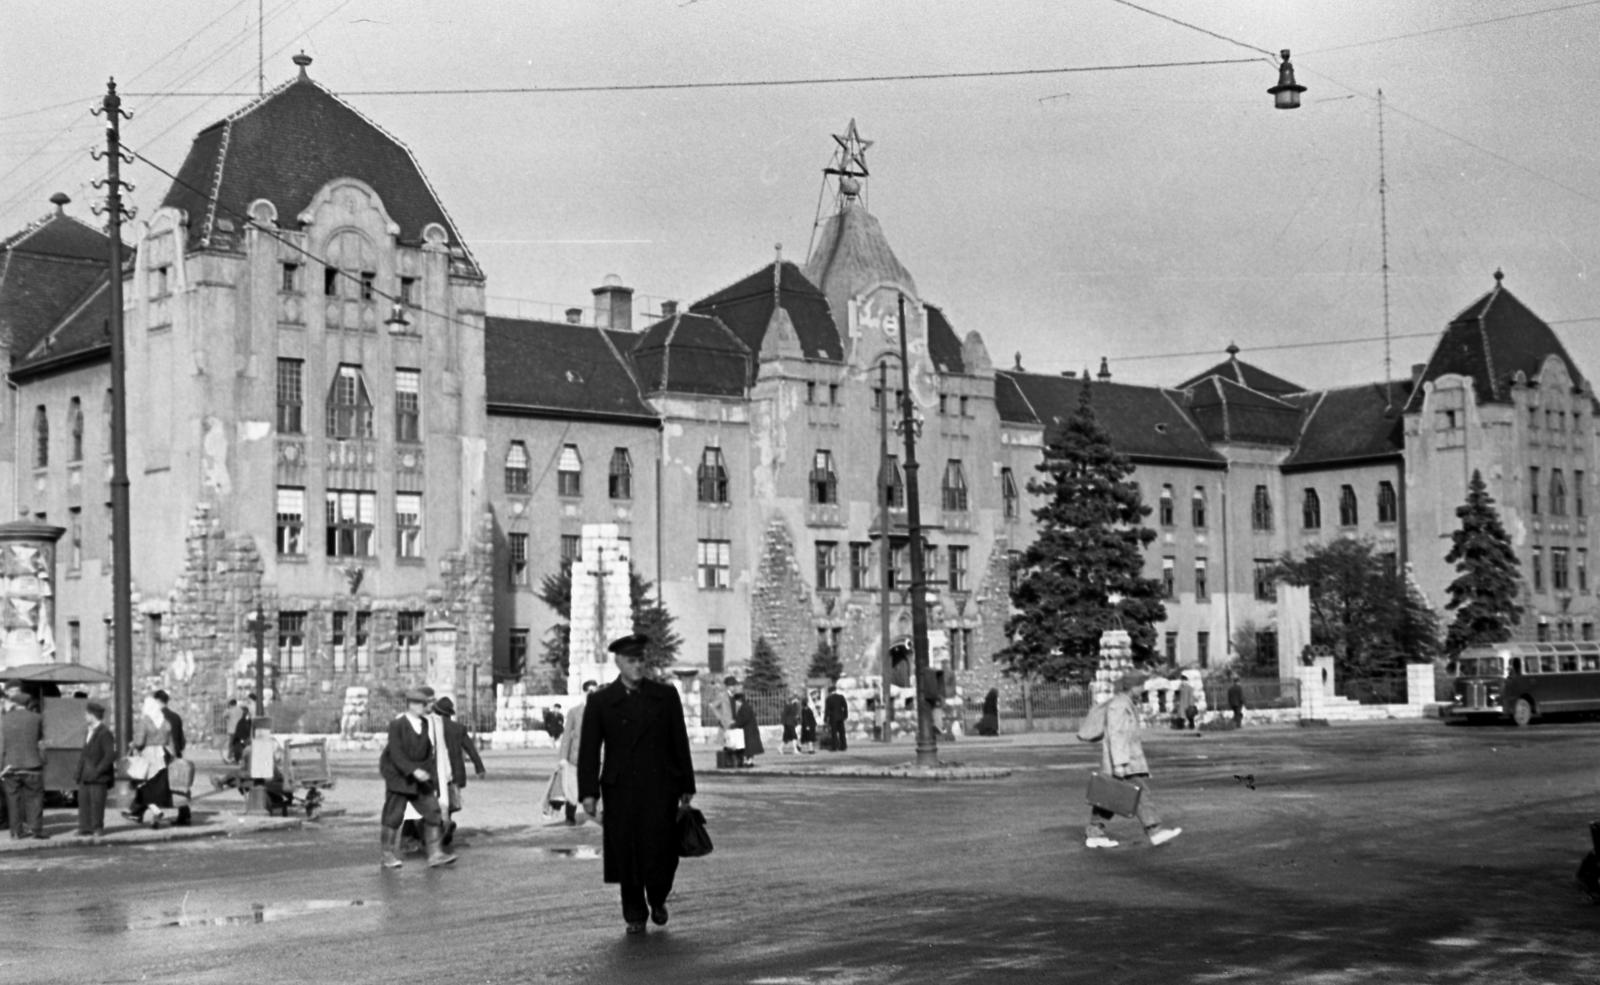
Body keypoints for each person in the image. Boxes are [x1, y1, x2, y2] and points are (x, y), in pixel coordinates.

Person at [578, 633, 696, 935]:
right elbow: (589, 749)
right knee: (626, 853)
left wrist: (686, 784)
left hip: (661, 786)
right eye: (632, 660)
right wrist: (588, 793)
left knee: (664, 852)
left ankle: (657, 898)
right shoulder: (601, 701)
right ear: (618, 663)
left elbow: (679, 741)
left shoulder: (665, 695)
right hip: (621, 789)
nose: (638, 666)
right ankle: (634, 912)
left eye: (641, 659)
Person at [1080, 672, 1182, 849]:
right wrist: (1120, 764)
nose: (1143, 690)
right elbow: (1116, 734)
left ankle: (1095, 832)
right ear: (1133, 687)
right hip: (1122, 761)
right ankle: (1154, 831)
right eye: (1141, 686)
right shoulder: (1119, 705)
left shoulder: (1124, 703)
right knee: (1140, 793)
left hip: (1123, 760)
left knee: (1108, 796)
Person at [378, 687, 455, 869]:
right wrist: (413, 771)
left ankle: (435, 853)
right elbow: (396, 754)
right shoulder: (398, 725)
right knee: (393, 816)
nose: (426, 707)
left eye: (426, 704)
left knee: (433, 811)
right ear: (412, 705)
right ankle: (387, 854)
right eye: (422, 704)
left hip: (420, 780)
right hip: (399, 779)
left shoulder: (425, 724)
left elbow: (428, 751)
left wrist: (429, 773)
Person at [433, 696, 485, 846]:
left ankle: (442, 826)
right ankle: (446, 821)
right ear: (450, 713)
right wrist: (479, 767)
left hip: (436, 770)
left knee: (436, 800)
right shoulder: (458, 728)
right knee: (449, 801)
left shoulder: (432, 727)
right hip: (454, 772)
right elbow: (470, 749)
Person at [1, 685, 47, 839]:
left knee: (13, 800)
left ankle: (15, 831)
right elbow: (40, 739)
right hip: (32, 765)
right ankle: (36, 830)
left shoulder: (4, 720)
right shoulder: (37, 718)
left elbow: (1, 745)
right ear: (28, 703)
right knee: (35, 798)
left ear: (15, 703)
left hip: (10, 766)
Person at [551, 681, 598, 824]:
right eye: (589, 691)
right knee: (572, 788)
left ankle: (595, 816)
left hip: (596, 757)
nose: (592, 694)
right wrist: (563, 758)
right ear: (584, 692)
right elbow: (566, 736)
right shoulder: (574, 712)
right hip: (575, 757)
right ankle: (570, 817)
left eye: (595, 691)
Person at [126, 695, 174, 828]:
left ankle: (155, 811)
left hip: (148, 756)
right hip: (162, 756)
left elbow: (140, 742)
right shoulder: (164, 722)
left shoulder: (145, 722)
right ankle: (149, 813)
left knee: (143, 786)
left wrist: (132, 745)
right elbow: (170, 740)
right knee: (155, 788)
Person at [75, 701, 116, 836]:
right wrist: (78, 772)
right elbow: (84, 752)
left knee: (97, 802)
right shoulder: (88, 731)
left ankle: (97, 827)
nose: (85, 717)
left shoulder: (104, 733)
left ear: (92, 715)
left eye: (87, 714)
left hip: (98, 776)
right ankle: (85, 827)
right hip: (85, 774)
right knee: (84, 801)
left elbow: (109, 755)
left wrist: (98, 770)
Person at [733, 692, 764, 767]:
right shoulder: (745, 706)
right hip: (749, 730)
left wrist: (735, 724)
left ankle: (749, 761)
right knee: (748, 747)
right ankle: (748, 761)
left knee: (749, 747)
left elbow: (744, 719)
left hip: (749, 730)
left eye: (736, 701)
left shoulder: (745, 707)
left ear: (739, 700)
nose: (735, 703)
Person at [824, 685, 849, 752]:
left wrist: (825, 718)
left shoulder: (829, 699)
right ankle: (843, 746)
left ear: (830, 691)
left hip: (833, 718)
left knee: (834, 733)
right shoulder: (841, 697)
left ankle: (834, 747)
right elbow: (845, 707)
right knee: (842, 732)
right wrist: (845, 715)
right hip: (840, 717)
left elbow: (827, 710)